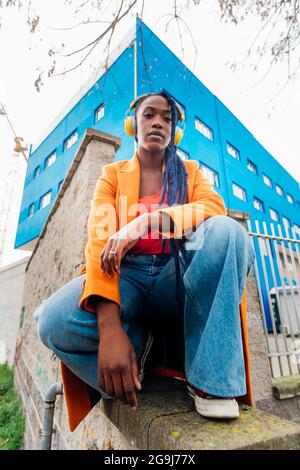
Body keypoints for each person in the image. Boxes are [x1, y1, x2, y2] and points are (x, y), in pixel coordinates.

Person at [34, 90, 255, 431]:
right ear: (132, 125)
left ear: (175, 132)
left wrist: (147, 221)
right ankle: (131, 357)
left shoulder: (191, 173)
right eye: (149, 114)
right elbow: (98, 243)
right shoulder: (111, 175)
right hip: (126, 278)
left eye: (167, 118)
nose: (158, 122)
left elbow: (214, 209)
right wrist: (109, 329)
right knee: (52, 320)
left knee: (229, 233)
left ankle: (210, 383)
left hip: (177, 276)